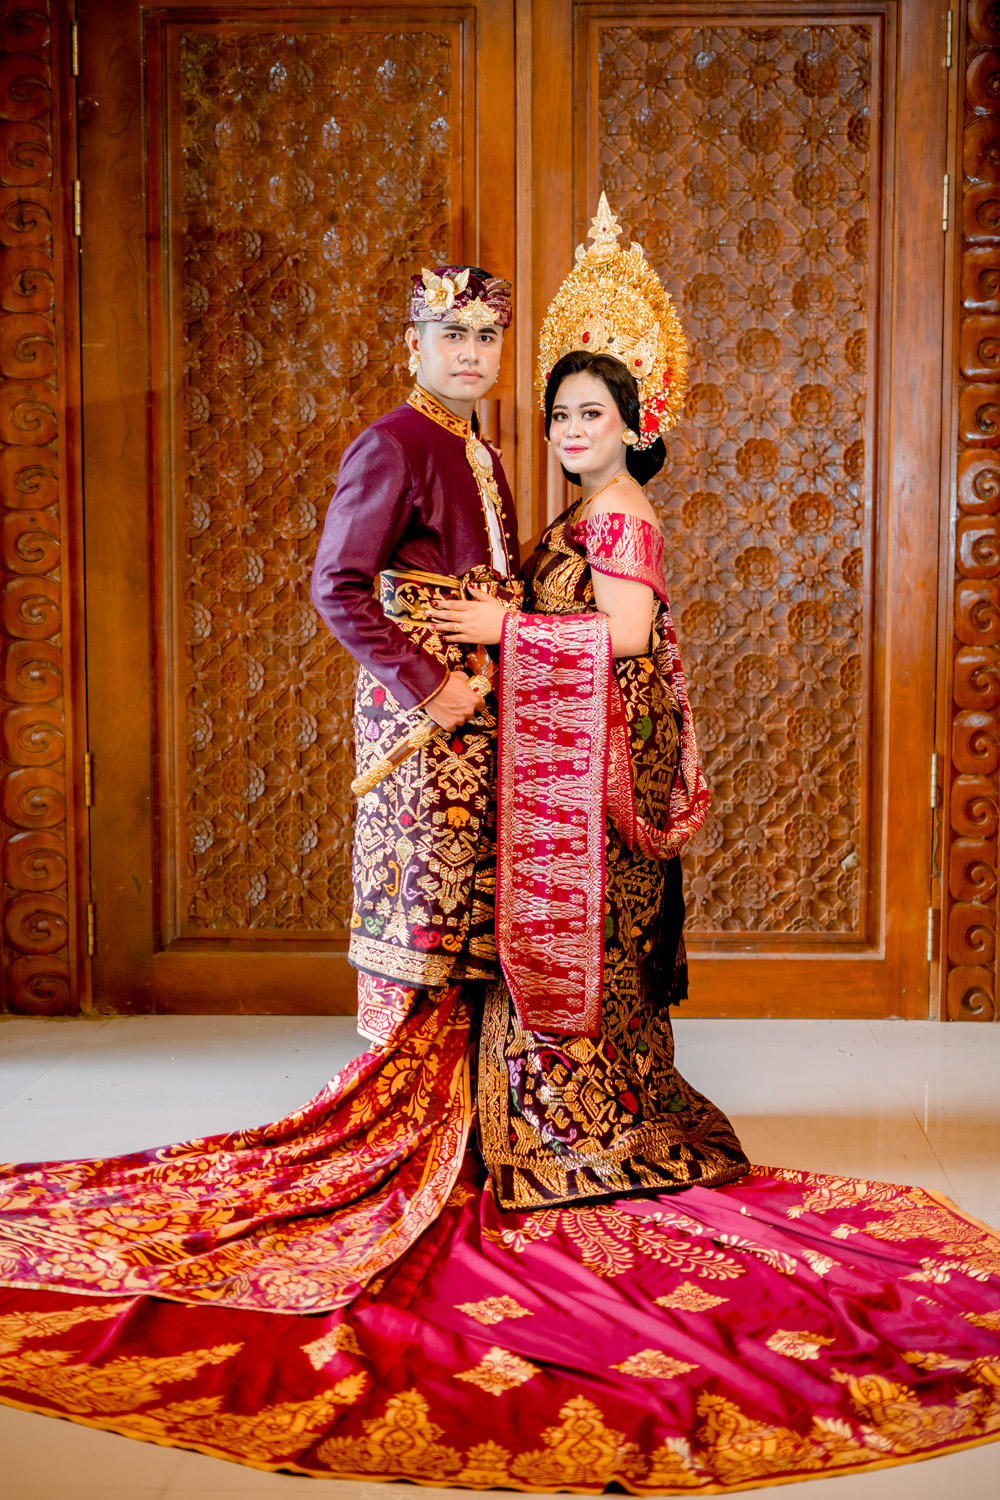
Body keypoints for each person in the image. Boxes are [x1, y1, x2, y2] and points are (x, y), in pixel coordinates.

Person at [0, 210, 997, 1492]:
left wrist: (504, 636)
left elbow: (610, 632)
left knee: (487, 942)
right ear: (414, 340)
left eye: (492, 339)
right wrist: (435, 680)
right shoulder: (402, 443)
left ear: (628, 418)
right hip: (440, 739)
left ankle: (487, 1117)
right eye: (456, 335)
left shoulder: (538, 481)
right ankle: (445, 1117)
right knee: (444, 942)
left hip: (518, 755)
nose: (478, 359)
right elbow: (342, 584)